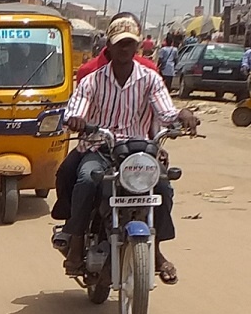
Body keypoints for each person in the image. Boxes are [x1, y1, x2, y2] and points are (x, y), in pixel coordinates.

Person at [60, 15, 181, 285]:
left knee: (162, 187)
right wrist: (77, 119)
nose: (125, 49)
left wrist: (181, 117)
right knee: (85, 180)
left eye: (130, 44)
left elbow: (166, 111)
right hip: (100, 148)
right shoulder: (92, 80)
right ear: (109, 47)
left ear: (137, 46)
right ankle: (77, 241)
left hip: (138, 150)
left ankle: (158, 251)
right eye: (120, 44)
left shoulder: (150, 78)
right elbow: (75, 109)